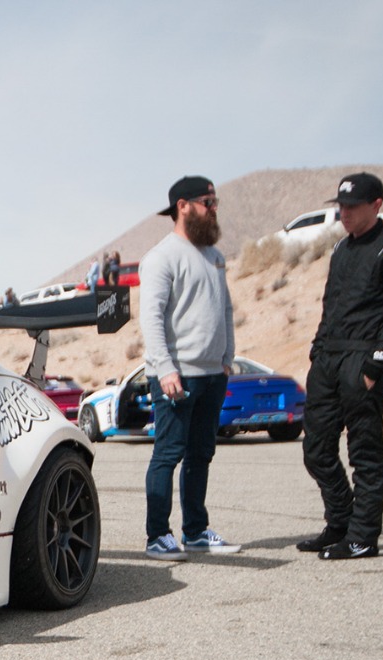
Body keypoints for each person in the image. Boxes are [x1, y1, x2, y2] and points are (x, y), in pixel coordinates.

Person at [297, 172, 383, 560]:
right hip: (329, 360)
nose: (345, 214)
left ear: (377, 205)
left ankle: (363, 537)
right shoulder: (340, 250)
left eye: (352, 207)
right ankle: (340, 523)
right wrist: (317, 353)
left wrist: (372, 367)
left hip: (362, 361)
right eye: (341, 207)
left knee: (364, 453)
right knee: (316, 451)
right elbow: (330, 307)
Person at [138, 175, 240, 561]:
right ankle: (157, 536)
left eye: (215, 202)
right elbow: (151, 318)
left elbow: (225, 309)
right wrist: (164, 368)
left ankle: (196, 531)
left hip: (213, 374)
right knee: (168, 453)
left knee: (201, 454)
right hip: (175, 376)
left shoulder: (214, 256)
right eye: (207, 202)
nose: (213, 209)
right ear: (183, 206)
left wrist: (228, 356)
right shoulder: (161, 257)